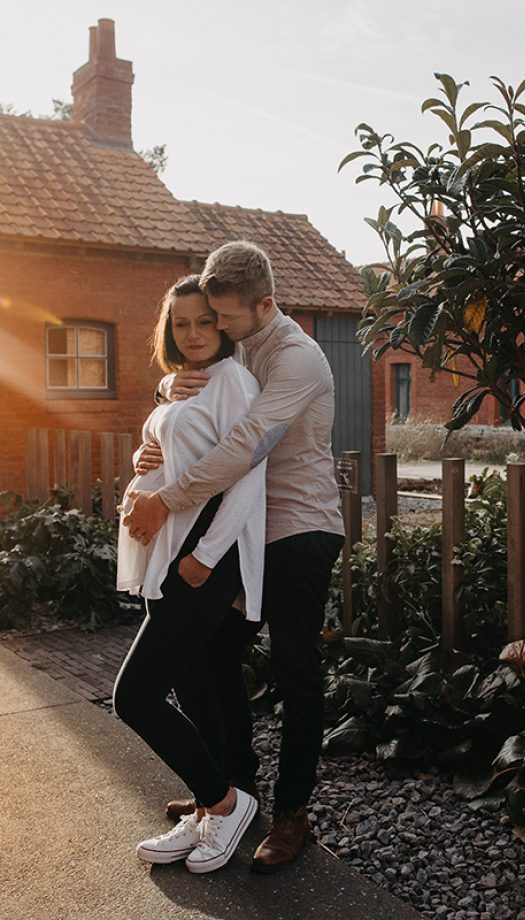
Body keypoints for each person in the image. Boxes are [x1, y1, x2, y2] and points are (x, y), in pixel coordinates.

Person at [123, 240, 345, 873]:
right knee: (209, 659)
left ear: (265, 304)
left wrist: (165, 498)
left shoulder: (298, 358)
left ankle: (291, 812)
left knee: (298, 670)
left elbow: (248, 443)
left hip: (299, 528)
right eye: (209, 317)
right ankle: (230, 790)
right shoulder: (240, 342)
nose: (215, 328)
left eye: (225, 318)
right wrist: (170, 389)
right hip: (240, 533)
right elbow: (209, 388)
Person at [114, 275, 265, 874]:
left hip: (201, 556)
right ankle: (210, 807)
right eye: (182, 324)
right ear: (168, 330)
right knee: (195, 684)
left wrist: (206, 554)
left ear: (223, 325)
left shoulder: (233, 381)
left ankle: (226, 801)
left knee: (135, 696)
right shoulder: (180, 386)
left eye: (205, 321)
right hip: (167, 553)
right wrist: (141, 456)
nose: (195, 333)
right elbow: (174, 448)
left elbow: (248, 475)